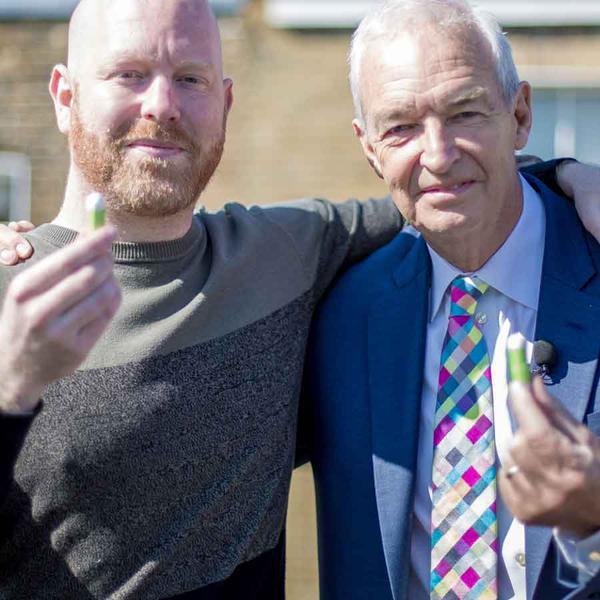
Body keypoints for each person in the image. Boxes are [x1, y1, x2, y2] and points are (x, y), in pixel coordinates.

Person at [0, 1, 597, 599]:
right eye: (129, 74)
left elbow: (444, 188)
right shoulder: (10, 292)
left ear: (224, 103)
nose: (162, 104)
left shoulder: (289, 260)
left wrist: (565, 173)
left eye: (190, 79)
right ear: (65, 96)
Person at [303, 1, 600, 599]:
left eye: (465, 112)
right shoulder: (338, 314)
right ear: (369, 147)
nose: (437, 155)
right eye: (401, 127)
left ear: (520, 116)